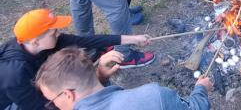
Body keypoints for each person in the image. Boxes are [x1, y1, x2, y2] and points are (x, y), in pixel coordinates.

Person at [0, 9, 151, 110]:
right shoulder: (14, 74)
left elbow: (89, 41)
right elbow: (37, 107)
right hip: (12, 103)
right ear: (35, 42)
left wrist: (133, 39)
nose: (59, 34)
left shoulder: (47, 42)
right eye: (54, 32)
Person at [35, 47, 212, 110]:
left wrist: (101, 79)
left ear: (68, 95)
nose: (54, 106)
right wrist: (201, 89)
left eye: (52, 102)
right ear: (67, 94)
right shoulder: (154, 96)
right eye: (52, 103)